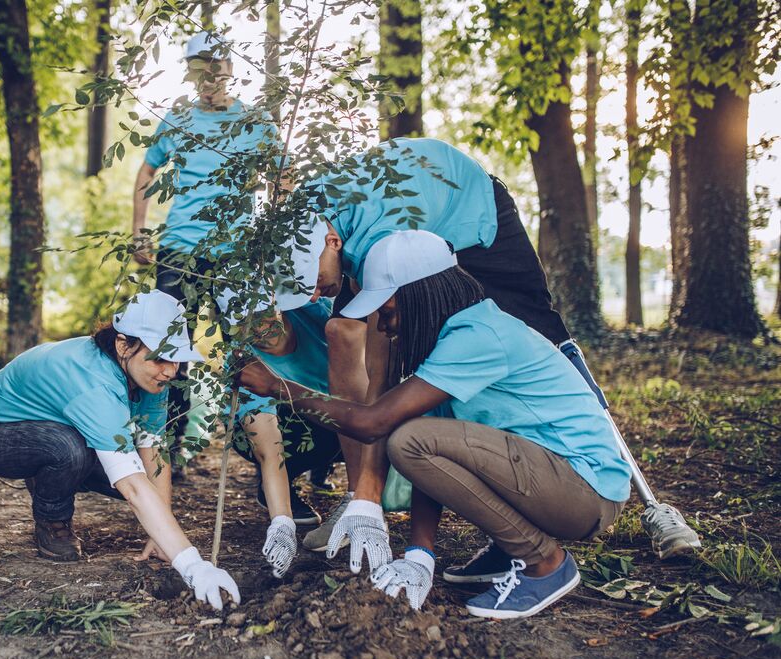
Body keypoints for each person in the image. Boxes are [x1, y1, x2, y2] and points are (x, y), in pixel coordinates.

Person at [239, 230, 630, 618]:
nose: (385, 327)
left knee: (408, 439)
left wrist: (278, 387)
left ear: (419, 296)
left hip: (585, 491)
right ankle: (509, 546)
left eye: (388, 313)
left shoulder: (477, 335)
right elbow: (430, 459)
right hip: (555, 482)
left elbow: (375, 423)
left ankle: (544, 564)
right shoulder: (449, 341)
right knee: (416, 438)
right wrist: (419, 556)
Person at [0, 290, 240, 611]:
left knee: (135, 480)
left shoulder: (148, 376)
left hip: (55, 424)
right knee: (71, 450)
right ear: (123, 345)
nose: (171, 370)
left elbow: (153, 448)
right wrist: (192, 565)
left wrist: (163, 537)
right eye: (161, 357)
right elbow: (133, 486)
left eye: (176, 358)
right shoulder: (95, 384)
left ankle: (50, 473)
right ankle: (52, 521)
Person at [131, 31, 279, 479]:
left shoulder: (256, 121)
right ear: (192, 73)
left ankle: (265, 456)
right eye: (201, 68)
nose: (211, 75)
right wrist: (139, 232)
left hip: (237, 254)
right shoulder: (176, 119)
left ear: (231, 69)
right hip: (179, 251)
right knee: (169, 347)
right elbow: (147, 169)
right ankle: (167, 450)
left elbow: (283, 175)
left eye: (218, 66)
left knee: (250, 348)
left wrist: (271, 235)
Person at [221, 289, 343, 576]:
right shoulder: (245, 362)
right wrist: (282, 521)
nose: (259, 328)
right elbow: (269, 448)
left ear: (278, 306)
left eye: (263, 315)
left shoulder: (314, 313)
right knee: (298, 436)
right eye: (245, 322)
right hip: (299, 428)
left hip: (344, 409)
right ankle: (279, 489)